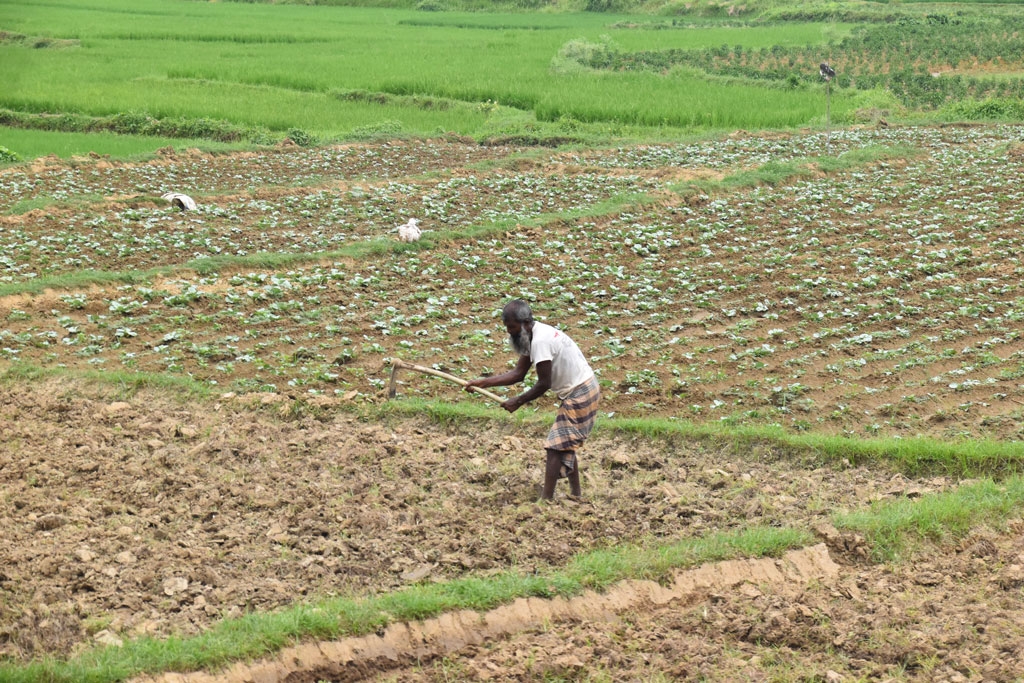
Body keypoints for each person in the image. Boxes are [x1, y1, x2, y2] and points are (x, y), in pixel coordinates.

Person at [465, 300, 600, 500]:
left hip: (581, 392)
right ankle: (576, 495)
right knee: (565, 442)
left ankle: (546, 500)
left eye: (512, 327)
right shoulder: (533, 335)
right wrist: (483, 383)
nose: (510, 332)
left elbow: (543, 383)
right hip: (581, 389)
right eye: (507, 328)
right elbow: (518, 374)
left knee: (555, 446)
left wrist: (517, 401)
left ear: (526, 322)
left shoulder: (540, 342)